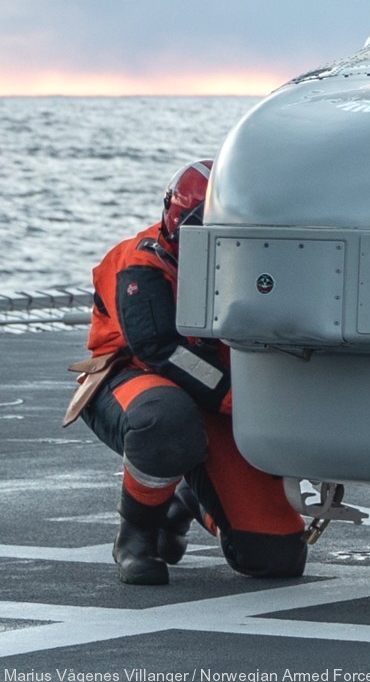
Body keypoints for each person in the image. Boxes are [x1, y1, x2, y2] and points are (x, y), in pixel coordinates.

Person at [66, 160, 308, 585]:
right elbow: (159, 348)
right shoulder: (141, 265)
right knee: (166, 419)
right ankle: (137, 535)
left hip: (216, 393)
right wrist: (238, 400)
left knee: (276, 557)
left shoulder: (263, 267)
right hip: (130, 379)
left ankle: (188, 500)